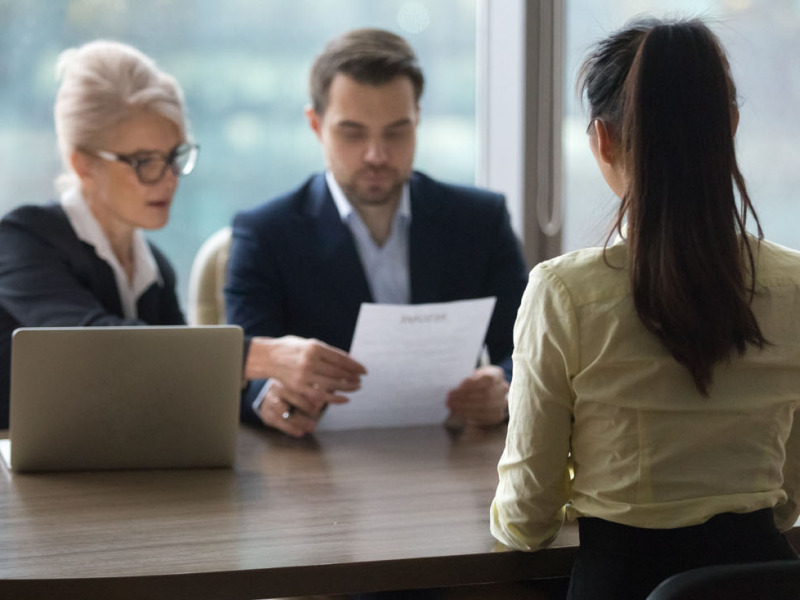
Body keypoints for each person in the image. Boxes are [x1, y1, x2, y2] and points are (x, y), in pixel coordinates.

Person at [490, 17, 800, 600]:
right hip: (766, 582)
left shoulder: (564, 293)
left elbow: (528, 519)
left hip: (623, 583)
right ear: (729, 128)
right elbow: (786, 501)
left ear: (602, 140)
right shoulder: (796, 286)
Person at [225, 28, 528, 437]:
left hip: (455, 458)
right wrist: (269, 398)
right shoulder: (264, 233)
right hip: (315, 470)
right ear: (315, 125)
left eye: (396, 131)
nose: (376, 155)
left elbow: (527, 352)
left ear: (418, 119)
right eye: (352, 133)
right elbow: (240, 370)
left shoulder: (480, 221)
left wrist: (504, 387)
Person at [0, 40, 195, 429]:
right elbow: (92, 343)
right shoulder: (23, 239)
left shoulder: (155, 268)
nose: (169, 178)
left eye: (174, 156)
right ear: (83, 165)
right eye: (144, 162)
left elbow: (187, 384)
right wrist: (246, 356)